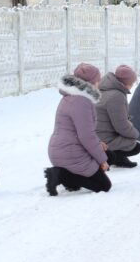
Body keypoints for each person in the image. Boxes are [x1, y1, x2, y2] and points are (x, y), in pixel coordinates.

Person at [44, 63, 111, 195]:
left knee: (108, 155)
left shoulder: (71, 97)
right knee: (104, 185)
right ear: (92, 82)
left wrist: (98, 144)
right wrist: (102, 160)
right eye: (98, 80)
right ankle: (61, 175)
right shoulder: (81, 102)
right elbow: (86, 136)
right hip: (70, 153)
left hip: (61, 151)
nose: (99, 83)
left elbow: (84, 131)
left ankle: (68, 180)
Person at [95, 64, 140, 168]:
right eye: (132, 82)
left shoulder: (104, 89)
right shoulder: (116, 96)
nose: (133, 85)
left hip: (96, 136)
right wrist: (135, 133)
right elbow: (121, 125)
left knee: (127, 137)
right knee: (134, 145)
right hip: (103, 139)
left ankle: (119, 159)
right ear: (126, 83)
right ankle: (108, 157)